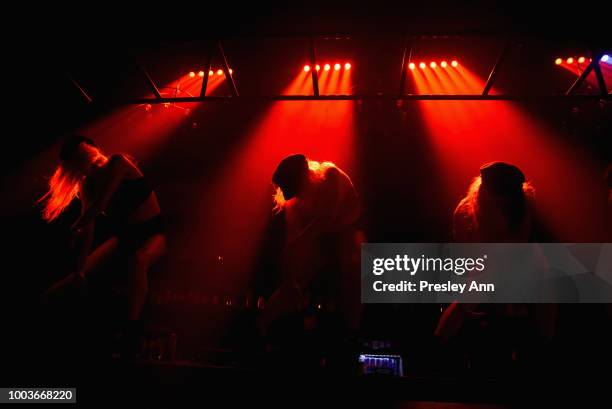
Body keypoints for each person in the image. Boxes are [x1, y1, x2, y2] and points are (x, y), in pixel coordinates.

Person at [40, 135, 166, 322]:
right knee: (78, 274)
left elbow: (99, 206)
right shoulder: (87, 185)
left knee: (137, 261)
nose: (84, 174)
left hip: (154, 231)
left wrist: (74, 228)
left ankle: (132, 325)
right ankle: (44, 303)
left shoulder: (118, 163)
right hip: (125, 235)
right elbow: (88, 228)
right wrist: (80, 270)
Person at [257, 154, 363, 339]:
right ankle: (260, 328)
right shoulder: (294, 202)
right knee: (293, 279)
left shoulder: (331, 175)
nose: (296, 196)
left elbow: (325, 219)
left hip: (350, 230)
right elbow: (295, 239)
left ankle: (352, 334)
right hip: (327, 237)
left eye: (295, 189)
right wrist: (291, 277)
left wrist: (294, 251)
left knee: (353, 276)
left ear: (304, 177)